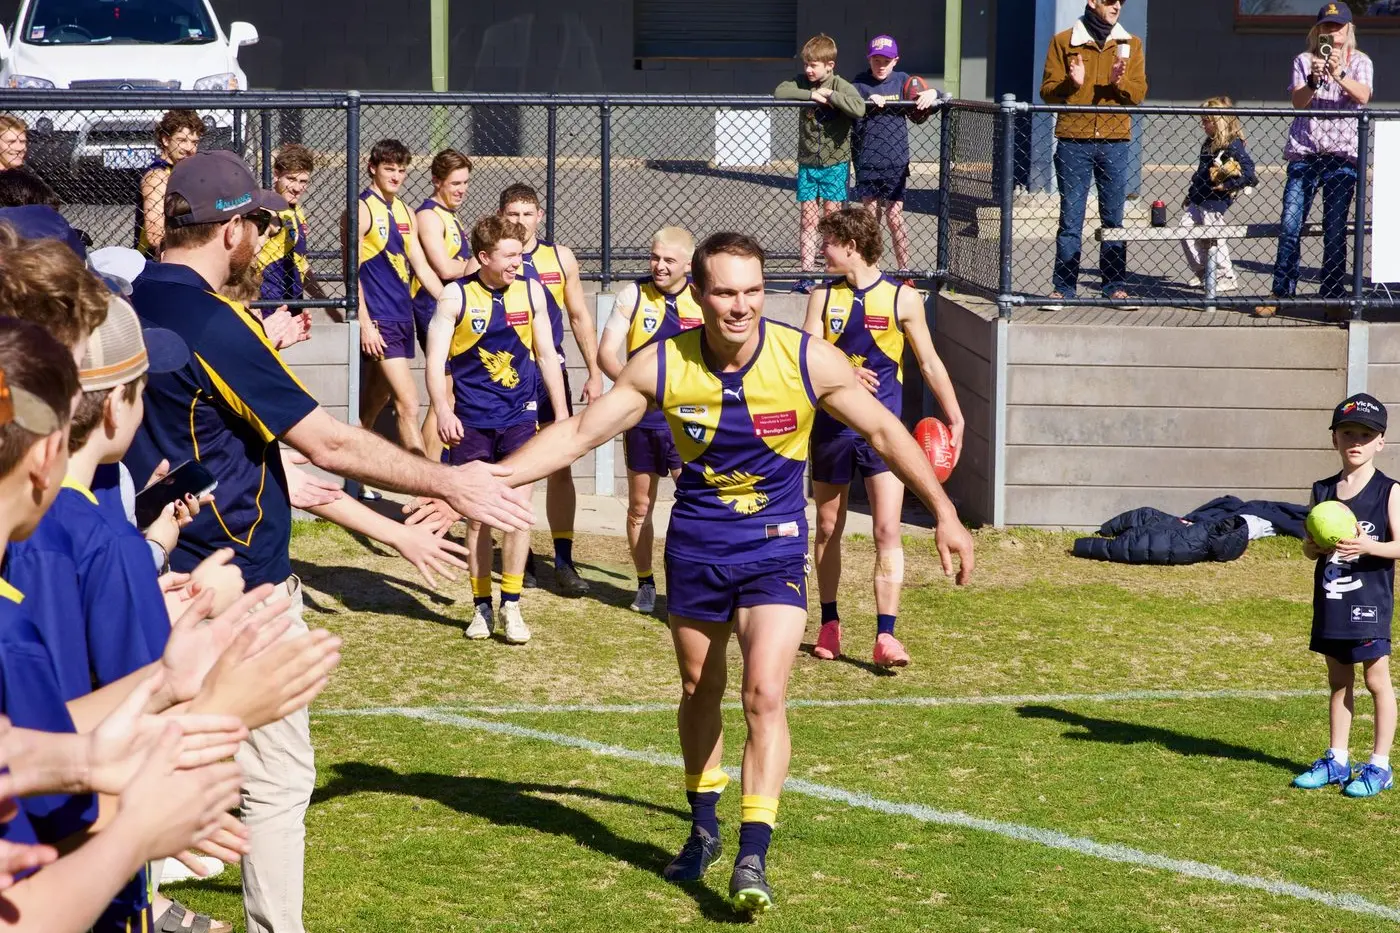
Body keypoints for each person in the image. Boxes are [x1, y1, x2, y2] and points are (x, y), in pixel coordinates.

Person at [498, 231, 974, 913]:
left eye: (752, 291)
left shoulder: (805, 358)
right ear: (698, 294)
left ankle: (753, 852)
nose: (741, 306)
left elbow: (886, 431)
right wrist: (485, 478)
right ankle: (702, 827)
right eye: (725, 291)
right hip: (695, 546)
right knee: (699, 685)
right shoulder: (662, 364)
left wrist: (946, 511)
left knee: (764, 693)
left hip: (775, 548)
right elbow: (579, 433)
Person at [124, 149, 531, 933]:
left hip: (158, 571)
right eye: (261, 224)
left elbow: (258, 455)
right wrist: (451, 482)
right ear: (233, 229)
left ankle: (138, 896)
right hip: (237, 585)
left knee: (174, 749)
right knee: (278, 776)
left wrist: (376, 522)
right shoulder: (215, 320)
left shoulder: (132, 298)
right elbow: (329, 444)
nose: (267, 239)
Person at [804, 208, 964, 668]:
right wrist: (847, 370)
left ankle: (886, 635)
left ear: (851, 245)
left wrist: (955, 417)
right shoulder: (822, 296)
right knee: (828, 528)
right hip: (832, 428)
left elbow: (929, 362)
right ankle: (829, 623)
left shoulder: (902, 299)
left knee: (886, 529)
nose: (821, 250)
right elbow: (807, 351)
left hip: (883, 435)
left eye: (828, 242)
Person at [427, 215, 567, 645]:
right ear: (484, 257)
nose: (518, 261)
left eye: (520, 253)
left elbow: (547, 355)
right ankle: (481, 606)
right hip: (472, 421)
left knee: (518, 512)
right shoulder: (455, 297)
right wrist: (443, 409)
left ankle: (512, 604)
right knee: (477, 517)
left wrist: (560, 417)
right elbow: (434, 364)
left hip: (521, 418)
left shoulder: (532, 291)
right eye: (509, 255)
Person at [498, 183, 603, 596]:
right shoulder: (494, 259)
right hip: (507, 374)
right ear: (501, 215)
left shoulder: (559, 258)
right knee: (515, 467)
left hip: (549, 372)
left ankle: (563, 559)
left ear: (539, 216)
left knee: (561, 464)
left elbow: (578, 316)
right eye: (513, 214)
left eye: (527, 213)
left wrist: (595, 371)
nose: (520, 221)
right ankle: (518, 559)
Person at [597, 226, 703, 613]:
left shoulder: (702, 297)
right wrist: (635, 388)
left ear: (688, 265)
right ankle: (644, 584)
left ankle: (689, 580)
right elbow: (607, 353)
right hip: (643, 419)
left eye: (668, 260)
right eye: (654, 257)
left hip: (690, 420)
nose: (659, 266)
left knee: (695, 500)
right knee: (640, 506)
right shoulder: (633, 294)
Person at [1298, 393, 1397, 798]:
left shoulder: (1389, 490)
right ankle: (1337, 760)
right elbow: (1307, 546)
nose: (1355, 440)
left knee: (1376, 680)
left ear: (1380, 442)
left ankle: (1379, 766)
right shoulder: (1322, 490)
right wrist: (1315, 548)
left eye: (1366, 434)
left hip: (1370, 602)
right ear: (1334, 439)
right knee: (1338, 681)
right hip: (1332, 600)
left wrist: (1369, 547)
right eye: (1347, 432)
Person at [1255, 3, 1373, 320]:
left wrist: (1339, 74)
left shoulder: (1360, 62)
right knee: (1291, 225)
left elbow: (1364, 96)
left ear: (1349, 30)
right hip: (1306, 153)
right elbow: (1297, 101)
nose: (1332, 33)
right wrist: (1313, 80)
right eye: (1327, 27)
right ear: (1317, 30)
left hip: (1343, 157)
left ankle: (1332, 295)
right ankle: (1281, 292)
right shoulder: (1304, 60)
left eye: (1338, 27)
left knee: (1334, 229)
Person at [1038, 0, 1148, 310]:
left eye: (1121, 2)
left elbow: (1139, 94)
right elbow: (1046, 91)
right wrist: (1071, 83)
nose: (1117, 6)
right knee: (1071, 220)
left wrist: (1120, 82)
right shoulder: (1064, 41)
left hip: (1115, 141)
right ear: (1092, 2)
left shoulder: (1130, 43)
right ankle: (1063, 288)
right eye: (1110, 1)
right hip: (1074, 140)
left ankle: (1114, 287)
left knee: (1114, 219)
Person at [355, 138, 443, 458]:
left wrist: (450, 301)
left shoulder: (407, 211)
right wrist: (365, 323)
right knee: (409, 403)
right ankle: (426, 485)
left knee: (377, 400)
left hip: (402, 316)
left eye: (402, 170)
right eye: (389, 169)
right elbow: (352, 272)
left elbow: (421, 266)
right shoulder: (362, 209)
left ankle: (353, 470)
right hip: (380, 320)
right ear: (372, 169)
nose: (396, 176)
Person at [774, 34, 866, 294]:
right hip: (807, 163)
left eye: (814, 65)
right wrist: (812, 94)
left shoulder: (841, 84)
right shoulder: (803, 82)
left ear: (830, 65)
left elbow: (859, 108)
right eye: (806, 64)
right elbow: (780, 91)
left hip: (834, 164)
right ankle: (806, 273)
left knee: (832, 218)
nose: (808, 69)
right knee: (808, 218)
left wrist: (831, 96)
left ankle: (832, 271)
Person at [849, 35, 941, 280]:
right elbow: (849, 105)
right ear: (869, 59)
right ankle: (872, 268)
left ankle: (904, 269)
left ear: (895, 61)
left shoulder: (902, 81)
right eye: (876, 60)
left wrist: (933, 92)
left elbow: (930, 96)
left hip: (896, 161)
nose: (881, 65)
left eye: (886, 61)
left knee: (895, 217)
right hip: (867, 161)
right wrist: (867, 102)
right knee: (870, 218)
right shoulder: (859, 84)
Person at [414, 149, 474, 464]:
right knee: (443, 397)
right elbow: (443, 266)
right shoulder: (428, 215)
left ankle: (434, 470)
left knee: (451, 395)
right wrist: (479, 264)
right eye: (455, 183)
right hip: (431, 308)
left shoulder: (451, 214)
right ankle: (427, 476)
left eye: (465, 182)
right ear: (437, 181)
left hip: (451, 309)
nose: (461, 189)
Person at [1178, 96, 1256, 293]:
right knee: (1185, 229)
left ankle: (1226, 275)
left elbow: (1249, 172)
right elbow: (1200, 172)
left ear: (1218, 122)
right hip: (1199, 196)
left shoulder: (1232, 144)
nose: (1202, 125)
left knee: (1213, 236)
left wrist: (1229, 185)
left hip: (1215, 199)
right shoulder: (1208, 143)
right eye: (1202, 121)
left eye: (1206, 121)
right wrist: (1190, 193)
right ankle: (1204, 271)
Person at [254, 143, 330, 310]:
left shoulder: (297, 211)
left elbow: (302, 263)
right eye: (291, 179)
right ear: (276, 175)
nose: (297, 188)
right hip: (268, 304)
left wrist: (327, 306)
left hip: (294, 301)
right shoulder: (268, 210)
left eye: (303, 181)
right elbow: (250, 259)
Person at [135, 109, 205, 259]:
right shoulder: (157, 176)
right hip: (154, 260)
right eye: (181, 140)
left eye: (194, 142)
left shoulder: (185, 172)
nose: (189, 149)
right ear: (166, 140)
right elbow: (155, 235)